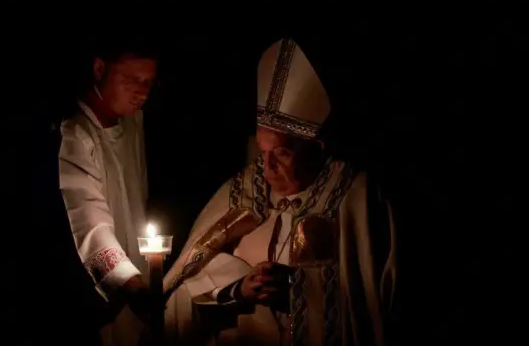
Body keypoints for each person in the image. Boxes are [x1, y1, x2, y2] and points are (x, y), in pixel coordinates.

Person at [163, 38, 398, 346]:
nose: (268, 166)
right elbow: (183, 289)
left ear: (316, 149)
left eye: (283, 154)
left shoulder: (354, 198)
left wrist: (297, 289)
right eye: (262, 152)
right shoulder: (242, 191)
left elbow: (371, 299)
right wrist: (239, 287)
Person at [59, 36, 159, 346]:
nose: (142, 91)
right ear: (100, 69)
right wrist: (129, 284)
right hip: (104, 296)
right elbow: (88, 221)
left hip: (139, 275)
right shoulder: (75, 135)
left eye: (149, 82)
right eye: (131, 79)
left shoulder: (133, 122)